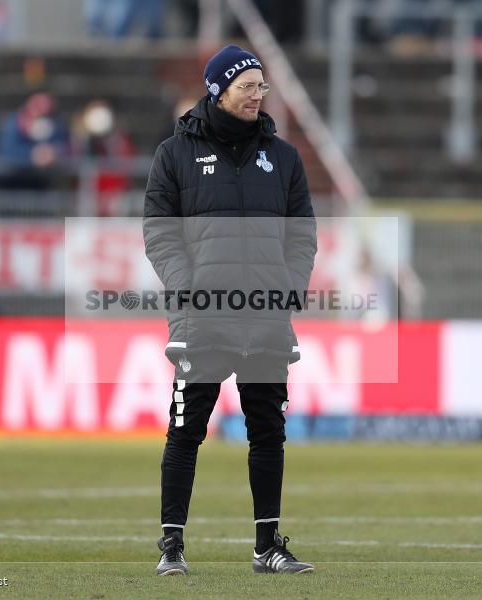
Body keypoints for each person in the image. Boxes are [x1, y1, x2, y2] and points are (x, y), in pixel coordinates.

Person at [143, 45, 317, 576]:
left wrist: (288, 290)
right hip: (202, 320)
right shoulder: (174, 154)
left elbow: (302, 237)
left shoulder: (283, 157)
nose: (257, 95)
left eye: (261, 86)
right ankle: (172, 546)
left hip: (265, 320)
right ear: (218, 90)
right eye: (247, 86)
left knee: (268, 433)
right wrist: (187, 288)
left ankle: (268, 546)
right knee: (186, 431)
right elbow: (159, 233)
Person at [0, 92, 69, 190]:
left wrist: (54, 153)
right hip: (10, 182)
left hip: (40, 183)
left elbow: (64, 147)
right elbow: (5, 152)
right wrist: (32, 155)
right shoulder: (12, 124)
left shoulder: (55, 126)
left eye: (47, 111)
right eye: (39, 107)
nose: (42, 112)